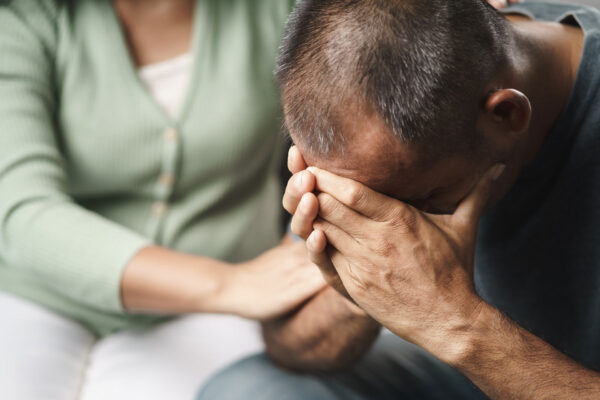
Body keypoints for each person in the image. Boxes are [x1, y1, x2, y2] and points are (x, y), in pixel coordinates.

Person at [198, 1, 600, 399]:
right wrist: (365, 291)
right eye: (362, 202)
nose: (396, 228)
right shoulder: (367, 139)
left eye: (420, 199)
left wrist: (458, 322)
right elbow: (290, 342)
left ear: (507, 115)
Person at [0, 1, 330, 399]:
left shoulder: (278, 10)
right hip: (40, 294)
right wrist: (231, 284)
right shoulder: (22, 16)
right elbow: (20, 211)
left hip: (213, 310)